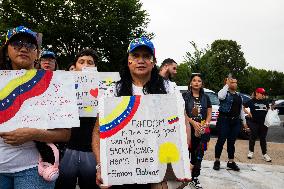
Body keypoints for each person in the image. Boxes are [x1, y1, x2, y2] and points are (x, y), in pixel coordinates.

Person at [92, 37, 182, 189]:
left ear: (153, 62)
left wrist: (181, 164)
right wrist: (101, 166)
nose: (141, 60)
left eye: (146, 56)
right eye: (136, 55)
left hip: (159, 171)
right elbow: (98, 132)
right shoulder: (112, 92)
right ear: (128, 61)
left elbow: (182, 126)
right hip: (123, 170)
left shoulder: (169, 89)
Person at [0, 26, 70, 189]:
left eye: (31, 45)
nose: (24, 48)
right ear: (6, 50)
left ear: (37, 53)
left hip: (35, 169)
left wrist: (33, 133)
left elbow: (65, 134)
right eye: (17, 43)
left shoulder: (55, 84)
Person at [55, 49, 100, 189]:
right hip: (67, 149)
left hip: (91, 151)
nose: (86, 65)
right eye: (81, 62)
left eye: (90, 62)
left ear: (96, 68)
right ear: (75, 66)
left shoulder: (104, 88)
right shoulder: (62, 87)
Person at [213, 75, 249, 171]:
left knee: (231, 142)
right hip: (224, 120)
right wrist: (226, 85)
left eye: (235, 82)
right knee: (221, 141)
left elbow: (241, 110)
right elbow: (220, 96)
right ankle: (217, 161)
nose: (235, 84)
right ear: (228, 82)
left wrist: (244, 123)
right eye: (232, 82)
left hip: (235, 121)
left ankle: (231, 162)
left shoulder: (239, 96)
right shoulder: (224, 92)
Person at [182, 73, 212, 189]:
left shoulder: (206, 97)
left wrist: (206, 123)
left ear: (202, 84)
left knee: (199, 153)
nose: (196, 82)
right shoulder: (185, 96)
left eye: (199, 81)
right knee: (188, 153)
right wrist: (193, 123)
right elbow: (182, 113)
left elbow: (209, 113)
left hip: (203, 130)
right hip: (188, 129)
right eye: (194, 80)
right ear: (190, 83)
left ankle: (194, 177)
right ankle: (185, 174)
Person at [244, 88, 271, 162]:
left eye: (263, 94)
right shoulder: (251, 101)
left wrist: (270, 111)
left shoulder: (265, 101)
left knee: (263, 138)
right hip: (254, 122)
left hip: (264, 123)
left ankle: (264, 154)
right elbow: (243, 107)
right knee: (253, 136)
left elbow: (268, 109)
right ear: (257, 93)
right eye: (261, 94)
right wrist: (248, 112)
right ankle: (251, 152)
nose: (263, 95)